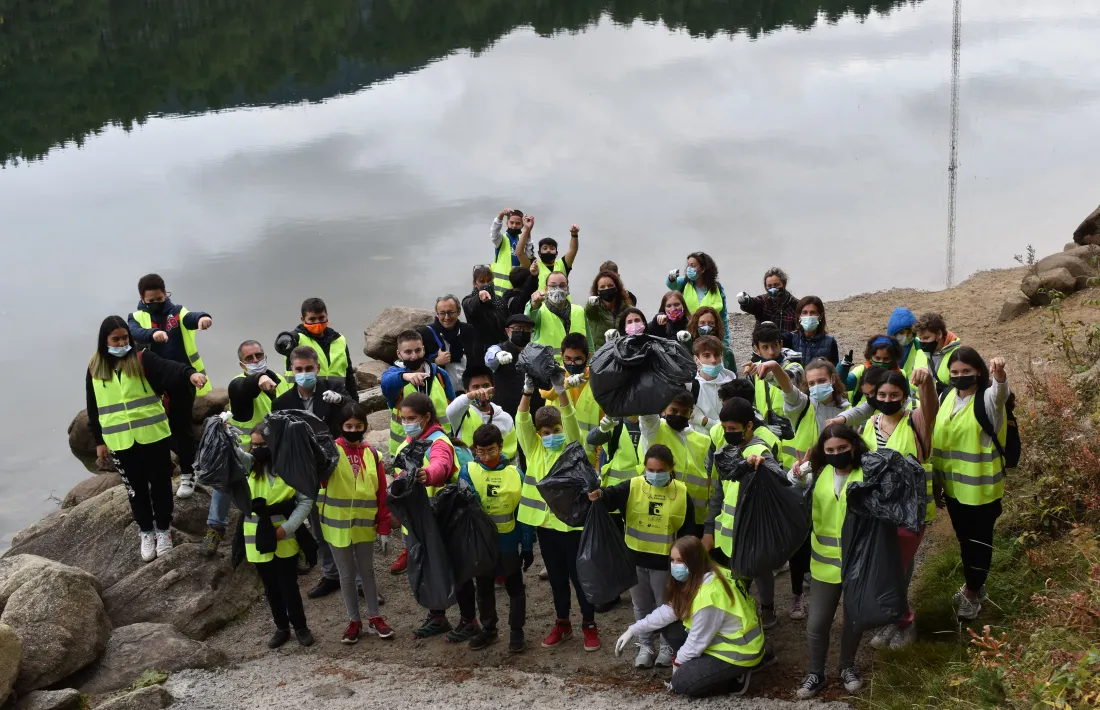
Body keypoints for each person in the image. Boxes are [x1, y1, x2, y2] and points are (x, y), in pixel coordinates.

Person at [828, 368, 938, 649]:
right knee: (887, 566)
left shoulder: (916, 421)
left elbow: (931, 408)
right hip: (879, 511)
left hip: (910, 512)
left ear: (904, 396)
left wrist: (926, 384)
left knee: (893, 567)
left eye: (894, 395)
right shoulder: (870, 424)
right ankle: (893, 617)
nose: (888, 399)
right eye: (882, 395)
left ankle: (905, 622)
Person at [88, 315, 206, 561]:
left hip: (153, 436)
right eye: (115, 339)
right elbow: (93, 406)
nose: (122, 343)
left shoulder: (142, 359)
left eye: (125, 338)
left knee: (161, 485)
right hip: (120, 440)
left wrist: (190, 374)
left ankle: (163, 530)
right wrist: (99, 442)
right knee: (135, 489)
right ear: (104, 340)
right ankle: (146, 531)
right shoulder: (94, 368)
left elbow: (170, 367)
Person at [614, 536, 766, 697]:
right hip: (725, 640)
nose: (675, 566)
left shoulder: (709, 595)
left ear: (694, 561)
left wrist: (678, 665)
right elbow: (670, 611)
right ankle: (709, 669)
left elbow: (696, 642)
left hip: (739, 652)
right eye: (672, 560)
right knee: (667, 626)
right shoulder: (706, 574)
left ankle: (735, 678)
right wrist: (633, 630)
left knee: (683, 683)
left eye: (680, 561)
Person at [515, 369, 601, 651]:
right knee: (556, 578)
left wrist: (561, 392)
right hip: (546, 527)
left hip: (572, 526)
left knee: (581, 577)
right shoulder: (534, 450)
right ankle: (562, 623)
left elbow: (570, 418)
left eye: (556, 431)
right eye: (545, 433)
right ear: (539, 435)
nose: (551, 436)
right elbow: (522, 421)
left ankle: (589, 624)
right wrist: (527, 392)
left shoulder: (572, 448)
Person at [589, 445, 694, 669]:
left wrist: (684, 564)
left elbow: (688, 532)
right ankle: (645, 646)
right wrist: (599, 494)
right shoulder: (633, 486)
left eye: (660, 470)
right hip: (636, 561)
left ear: (671, 468)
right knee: (641, 606)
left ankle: (666, 646)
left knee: (666, 607)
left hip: (664, 564)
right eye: (650, 470)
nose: (655, 475)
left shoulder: (682, 493)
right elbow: (610, 496)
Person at [791, 423, 871, 699]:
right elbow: (794, 483)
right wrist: (797, 473)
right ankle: (816, 673)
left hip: (857, 563)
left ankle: (847, 667)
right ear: (823, 452)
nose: (837, 454)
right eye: (830, 450)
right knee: (817, 623)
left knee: (853, 620)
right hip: (824, 564)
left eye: (842, 448)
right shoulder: (819, 473)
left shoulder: (868, 473)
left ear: (854, 446)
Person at [930, 347, 1010, 621]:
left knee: (979, 542)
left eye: (966, 371)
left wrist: (1000, 375)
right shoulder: (946, 397)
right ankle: (974, 584)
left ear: (978, 371)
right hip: (953, 488)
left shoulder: (987, 398)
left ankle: (973, 592)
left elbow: (1000, 394)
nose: (960, 376)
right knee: (965, 540)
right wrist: (937, 485)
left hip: (981, 489)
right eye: (955, 372)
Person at [272, 346, 353, 599]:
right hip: (307, 473)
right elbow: (279, 442)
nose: (304, 373)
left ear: (317, 368)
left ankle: (358, 578)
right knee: (318, 528)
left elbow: (356, 414)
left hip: (337, 467)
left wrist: (342, 401)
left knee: (347, 523)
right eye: (299, 369)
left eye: (309, 368)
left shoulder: (335, 388)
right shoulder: (281, 403)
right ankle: (331, 575)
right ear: (291, 370)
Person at [203, 339, 293, 557]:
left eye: (259, 356)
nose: (255, 360)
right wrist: (258, 379)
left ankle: (294, 535)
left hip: (274, 452)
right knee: (225, 482)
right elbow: (243, 388)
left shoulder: (281, 380)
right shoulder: (238, 384)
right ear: (242, 364)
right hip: (244, 453)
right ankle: (215, 528)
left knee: (287, 492)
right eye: (249, 358)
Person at [127, 273, 212, 500]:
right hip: (152, 384)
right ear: (142, 299)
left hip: (183, 379)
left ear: (165, 294)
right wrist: (152, 334)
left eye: (160, 298)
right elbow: (134, 333)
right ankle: (160, 475)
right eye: (151, 300)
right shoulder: (135, 316)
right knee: (155, 431)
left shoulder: (177, 312)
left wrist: (203, 318)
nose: (156, 303)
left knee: (182, 428)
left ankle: (188, 474)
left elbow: (191, 318)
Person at [702, 398, 781, 630]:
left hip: (752, 531)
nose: (728, 433)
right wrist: (709, 529)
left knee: (757, 571)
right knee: (738, 580)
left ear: (749, 426)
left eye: (733, 429)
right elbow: (719, 493)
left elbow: (778, 482)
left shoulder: (761, 451)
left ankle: (764, 611)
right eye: (725, 428)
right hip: (728, 534)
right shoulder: (726, 452)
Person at [320, 404, 395, 643]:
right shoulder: (329, 451)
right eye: (348, 426)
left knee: (367, 571)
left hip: (364, 524)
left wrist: (384, 526)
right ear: (340, 426)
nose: (353, 430)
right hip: (337, 524)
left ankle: (375, 617)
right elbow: (318, 480)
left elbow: (381, 493)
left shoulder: (372, 454)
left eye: (358, 426)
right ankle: (354, 621)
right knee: (346, 574)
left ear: (365, 427)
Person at [457, 424, 535, 653]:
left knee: (514, 586)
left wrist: (527, 546)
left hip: (508, 541)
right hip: (482, 544)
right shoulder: (468, 471)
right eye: (480, 451)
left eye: (491, 450)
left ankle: (516, 631)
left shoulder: (515, 474)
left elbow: (524, 514)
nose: (486, 456)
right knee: (483, 587)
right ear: (474, 450)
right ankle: (489, 629)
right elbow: (466, 507)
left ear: (500, 447)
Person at [392, 393, 462, 636]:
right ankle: (437, 616)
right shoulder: (407, 442)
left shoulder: (438, 442)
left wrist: (427, 474)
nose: (406, 423)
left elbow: (441, 465)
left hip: (439, 517)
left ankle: (466, 620)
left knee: (449, 568)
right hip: (418, 520)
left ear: (426, 417)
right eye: (403, 418)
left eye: (412, 418)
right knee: (428, 567)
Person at [242, 423, 316, 649]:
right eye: (254, 445)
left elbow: (305, 501)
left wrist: (288, 527)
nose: (257, 450)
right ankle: (281, 627)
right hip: (256, 537)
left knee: (288, 585)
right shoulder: (248, 466)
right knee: (270, 587)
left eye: (262, 445)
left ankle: (301, 627)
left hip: (284, 535)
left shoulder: (290, 469)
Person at [639, 391, 712, 537]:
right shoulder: (654, 430)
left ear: (691, 413)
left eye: (684, 412)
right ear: (664, 410)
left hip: (695, 516)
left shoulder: (704, 440)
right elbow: (646, 414)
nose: (679, 415)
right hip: (659, 510)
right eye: (674, 410)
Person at [381, 330, 455, 457]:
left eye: (418, 350)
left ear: (423, 350)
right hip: (404, 451)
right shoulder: (394, 377)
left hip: (439, 447)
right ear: (399, 354)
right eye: (408, 352)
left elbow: (454, 407)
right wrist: (404, 376)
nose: (414, 356)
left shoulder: (439, 374)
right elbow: (385, 383)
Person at [744, 323, 805, 468]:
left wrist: (768, 375)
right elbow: (749, 405)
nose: (771, 352)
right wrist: (762, 425)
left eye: (774, 345)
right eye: (765, 347)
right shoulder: (753, 371)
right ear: (756, 349)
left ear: (781, 344)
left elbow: (788, 382)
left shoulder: (795, 366)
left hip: (793, 432)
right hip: (765, 434)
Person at [538, 333, 601, 466]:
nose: (572, 364)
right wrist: (563, 385)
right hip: (555, 457)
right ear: (561, 355)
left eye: (578, 360)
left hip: (585, 459)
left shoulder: (597, 381)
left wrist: (598, 465)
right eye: (568, 359)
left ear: (588, 357)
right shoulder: (554, 374)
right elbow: (545, 393)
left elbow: (603, 429)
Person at [274, 297, 357, 396]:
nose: (317, 322)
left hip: (337, 397)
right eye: (312, 319)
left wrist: (354, 399)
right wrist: (285, 340)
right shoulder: (296, 339)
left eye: (321, 318)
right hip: (304, 398)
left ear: (326, 316)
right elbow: (281, 344)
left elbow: (349, 374)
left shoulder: (339, 339)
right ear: (303, 319)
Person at [446, 364, 517, 459]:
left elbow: (511, 455)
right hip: (466, 468)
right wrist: (471, 396)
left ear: (493, 387)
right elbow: (450, 411)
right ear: (466, 391)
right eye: (475, 387)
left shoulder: (505, 418)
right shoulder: (461, 414)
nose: (482, 391)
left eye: (486, 386)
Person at [484, 315, 543, 422]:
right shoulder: (499, 349)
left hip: (533, 410)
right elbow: (489, 358)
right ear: (507, 331)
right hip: (505, 412)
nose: (522, 332)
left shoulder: (538, 352)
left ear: (532, 332)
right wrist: (498, 355)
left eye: (526, 329)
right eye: (517, 328)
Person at [666, 252, 730, 349]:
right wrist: (671, 277)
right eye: (688, 265)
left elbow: (723, 317)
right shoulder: (685, 282)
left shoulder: (717, 288)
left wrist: (725, 342)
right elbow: (672, 285)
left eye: (693, 265)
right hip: (691, 332)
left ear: (703, 268)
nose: (689, 269)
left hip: (712, 332)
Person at [418, 295, 474, 392]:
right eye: (442, 313)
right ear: (437, 314)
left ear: (459, 312)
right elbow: (414, 364)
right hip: (442, 393)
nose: (447, 317)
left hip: (468, 390)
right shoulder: (424, 334)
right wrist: (435, 361)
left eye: (451, 312)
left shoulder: (469, 330)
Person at [527, 271, 587, 359]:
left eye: (562, 286)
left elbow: (589, 344)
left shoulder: (579, 311)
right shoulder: (538, 311)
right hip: (547, 366)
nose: (558, 289)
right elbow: (528, 319)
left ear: (567, 289)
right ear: (546, 289)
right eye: (553, 286)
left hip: (576, 365)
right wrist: (533, 304)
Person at [515, 216, 580, 292]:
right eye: (545, 248)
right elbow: (519, 253)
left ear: (556, 253)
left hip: (563, 299)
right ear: (539, 253)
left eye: (552, 248)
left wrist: (574, 234)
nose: (548, 250)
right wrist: (526, 230)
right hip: (540, 300)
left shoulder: (563, 264)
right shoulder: (534, 265)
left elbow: (573, 250)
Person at [462, 266, 507, 369]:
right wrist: (479, 297)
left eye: (489, 280)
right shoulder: (468, 300)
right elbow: (470, 307)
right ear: (475, 283)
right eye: (482, 281)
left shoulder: (500, 301)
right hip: (481, 353)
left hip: (501, 350)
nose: (486, 284)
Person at [690, 335, 737, 433]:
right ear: (696, 359)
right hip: (701, 440)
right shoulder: (690, 386)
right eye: (707, 355)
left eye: (717, 355)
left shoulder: (731, 384)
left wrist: (706, 422)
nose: (713, 360)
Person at [843, 335, 903, 407]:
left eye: (886, 359)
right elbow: (843, 385)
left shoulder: (900, 374)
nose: (881, 362)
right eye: (877, 358)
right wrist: (843, 368)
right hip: (861, 412)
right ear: (870, 356)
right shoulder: (861, 370)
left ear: (893, 358)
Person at [736, 267, 799, 333]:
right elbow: (752, 304)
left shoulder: (796, 304)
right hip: (764, 338)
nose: (773, 288)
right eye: (769, 286)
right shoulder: (763, 301)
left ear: (784, 284)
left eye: (776, 285)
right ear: (766, 287)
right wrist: (745, 301)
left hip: (786, 339)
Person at [490, 208, 536, 296]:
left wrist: (528, 230)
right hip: (499, 290)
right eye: (511, 223)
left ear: (522, 225)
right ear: (507, 223)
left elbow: (530, 256)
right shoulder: (501, 239)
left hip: (517, 289)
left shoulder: (522, 240)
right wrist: (501, 215)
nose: (514, 226)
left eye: (518, 223)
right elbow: (494, 233)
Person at [782, 296, 838, 365]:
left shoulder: (830, 342)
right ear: (799, 316)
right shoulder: (789, 338)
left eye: (813, 312)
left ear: (820, 315)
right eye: (804, 312)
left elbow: (834, 369)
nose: (808, 316)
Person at [914, 312, 963, 390]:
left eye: (926, 338)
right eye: (920, 338)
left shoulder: (958, 355)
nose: (922, 342)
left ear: (939, 334)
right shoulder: (920, 353)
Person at [586, 270, 632, 350]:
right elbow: (589, 312)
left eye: (610, 286)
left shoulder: (627, 309)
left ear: (616, 288)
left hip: (623, 352)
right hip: (600, 353)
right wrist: (591, 304)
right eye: (602, 287)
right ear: (598, 291)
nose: (606, 289)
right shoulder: (595, 310)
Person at [686, 306, 737, 372]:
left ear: (716, 326)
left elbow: (733, 376)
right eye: (702, 323)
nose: (706, 327)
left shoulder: (726, 353)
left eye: (711, 323)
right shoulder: (688, 350)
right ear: (696, 325)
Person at [886, 307, 922, 376]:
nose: (905, 337)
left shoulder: (919, 345)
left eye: (909, 333)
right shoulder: (884, 347)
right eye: (901, 333)